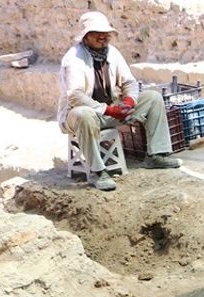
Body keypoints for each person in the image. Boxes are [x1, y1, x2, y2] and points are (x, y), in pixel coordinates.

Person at [57, 11, 182, 192]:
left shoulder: (112, 52)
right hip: (80, 114)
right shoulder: (74, 58)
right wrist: (109, 110)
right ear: (85, 37)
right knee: (84, 114)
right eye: (97, 33)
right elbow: (75, 96)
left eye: (106, 33)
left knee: (153, 98)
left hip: (112, 109)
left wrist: (129, 102)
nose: (103, 37)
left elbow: (129, 82)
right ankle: (97, 172)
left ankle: (156, 155)